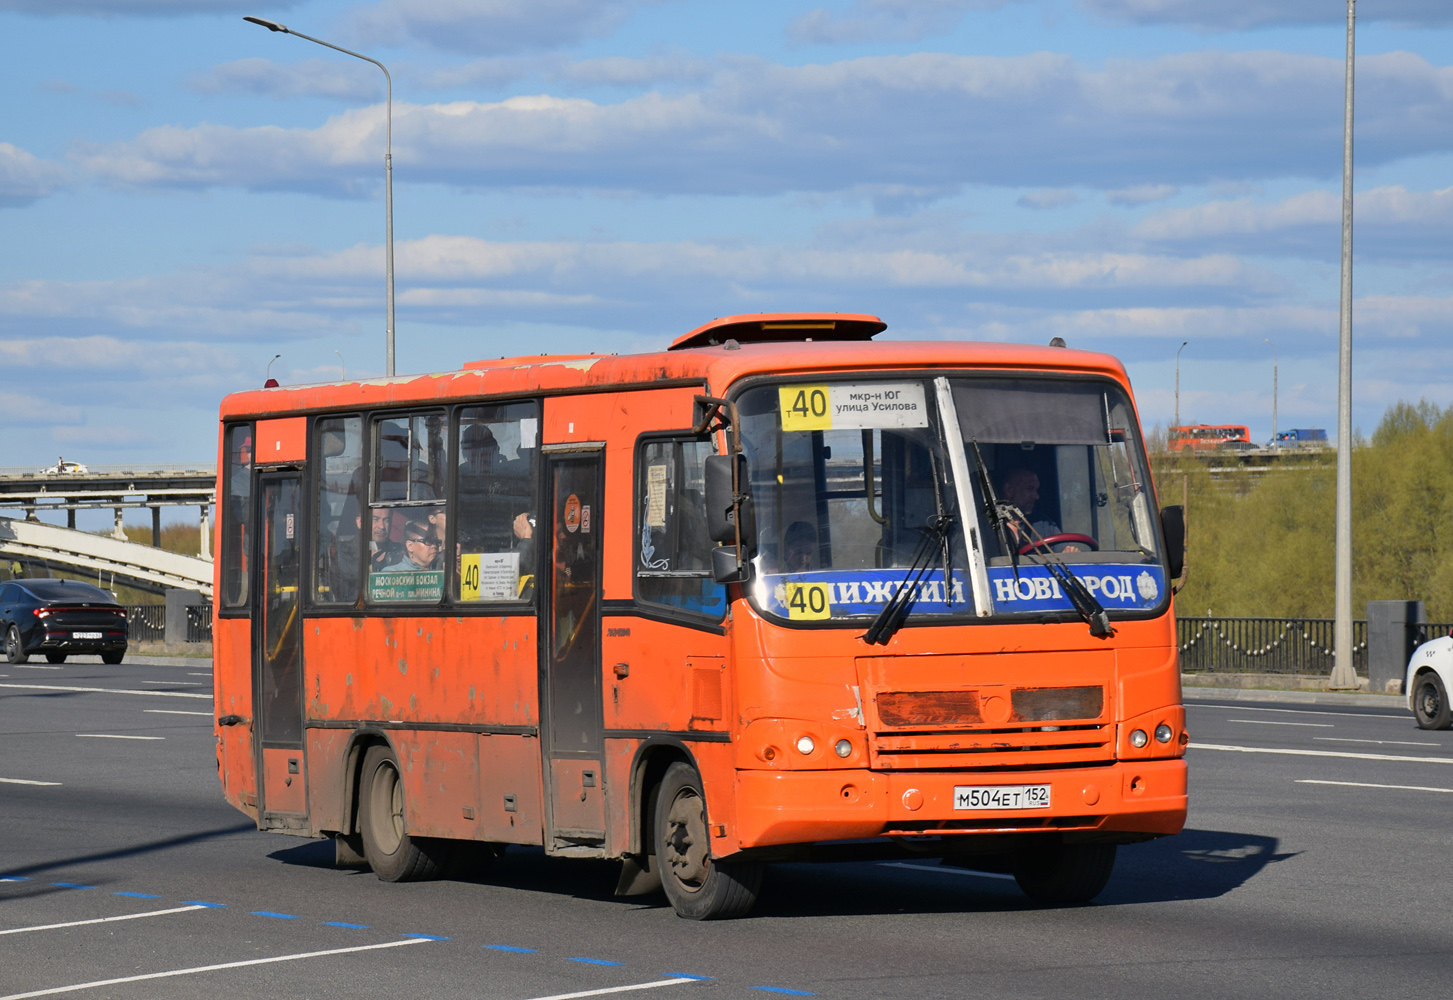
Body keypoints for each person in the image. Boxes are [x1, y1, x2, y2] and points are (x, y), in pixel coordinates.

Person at [998, 467, 1080, 552]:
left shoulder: (1044, 524)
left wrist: (1069, 553)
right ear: (1009, 490)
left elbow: (1062, 552)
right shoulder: (988, 527)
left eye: (1036, 490)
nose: (1036, 496)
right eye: (1030, 489)